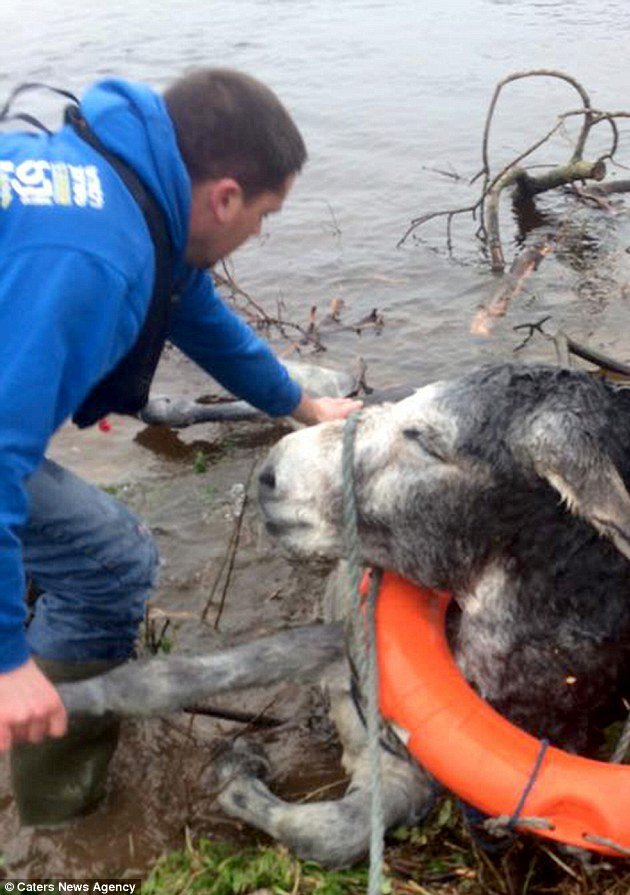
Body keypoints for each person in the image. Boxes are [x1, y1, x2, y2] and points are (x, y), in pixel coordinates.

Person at [0, 69, 361, 824]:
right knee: (112, 558)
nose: (258, 234)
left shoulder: (124, 189)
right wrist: (7, 661)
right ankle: (60, 821)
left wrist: (303, 404)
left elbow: (206, 325)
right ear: (225, 197)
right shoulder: (92, 254)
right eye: (264, 215)